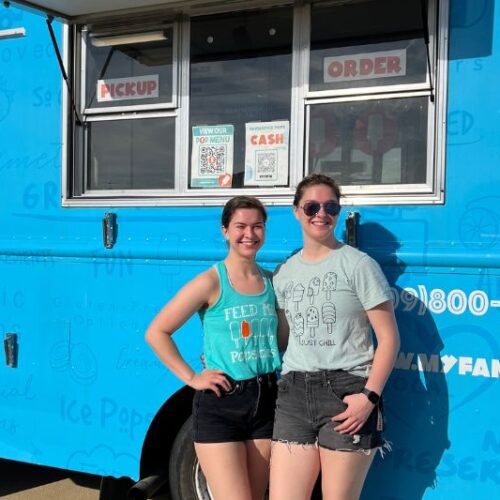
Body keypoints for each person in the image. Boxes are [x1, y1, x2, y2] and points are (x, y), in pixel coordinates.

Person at [270, 174, 400, 500]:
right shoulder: (284, 273)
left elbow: (389, 339)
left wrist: (369, 398)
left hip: (346, 394)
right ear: (296, 211)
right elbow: (283, 339)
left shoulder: (358, 265)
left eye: (331, 207)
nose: (321, 213)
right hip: (294, 395)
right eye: (312, 206)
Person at [145, 196, 280, 500]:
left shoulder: (271, 282)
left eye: (257, 226)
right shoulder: (211, 282)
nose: (250, 234)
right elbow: (157, 332)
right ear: (225, 231)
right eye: (240, 226)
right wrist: (192, 377)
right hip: (223, 404)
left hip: (266, 399)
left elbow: (279, 341)